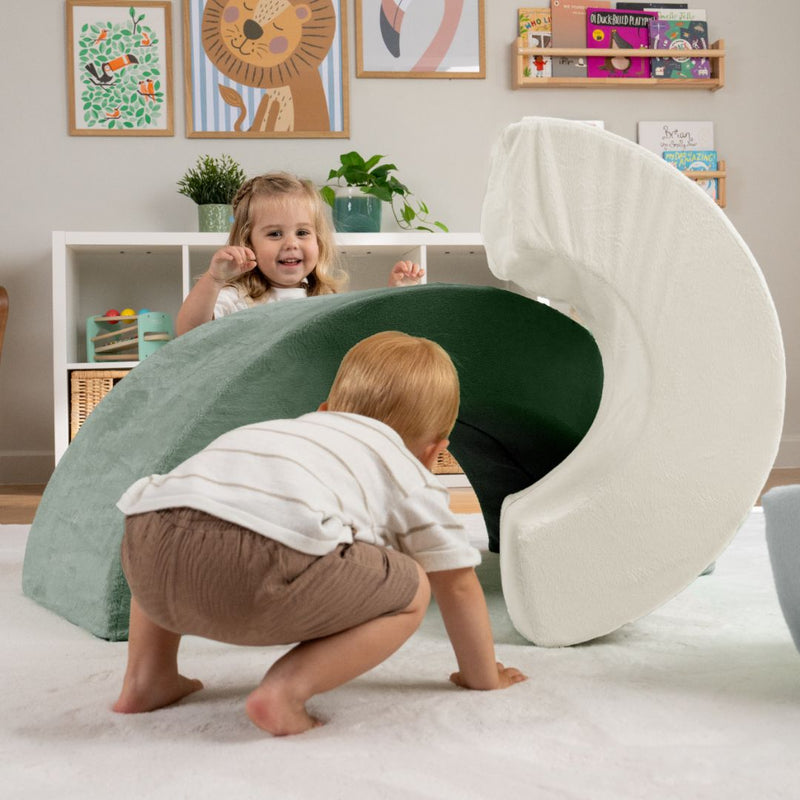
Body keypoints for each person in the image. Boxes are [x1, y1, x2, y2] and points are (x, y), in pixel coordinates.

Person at [112, 331, 527, 736]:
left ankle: (147, 678)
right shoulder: (408, 469)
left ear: (325, 409)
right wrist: (483, 675)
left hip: (146, 539)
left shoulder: (281, 431)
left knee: (178, 515)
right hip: (261, 561)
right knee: (414, 586)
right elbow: (456, 584)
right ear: (434, 451)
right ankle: (285, 691)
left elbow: (188, 511)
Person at [176, 172, 425, 335]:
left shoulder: (326, 300)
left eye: (303, 233)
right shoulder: (237, 299)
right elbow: (189, 332)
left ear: (319, 240)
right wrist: (214, 279)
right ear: (248, 243)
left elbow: (366, 342)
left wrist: (398, 295)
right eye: (275, 234)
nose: (291, 243)